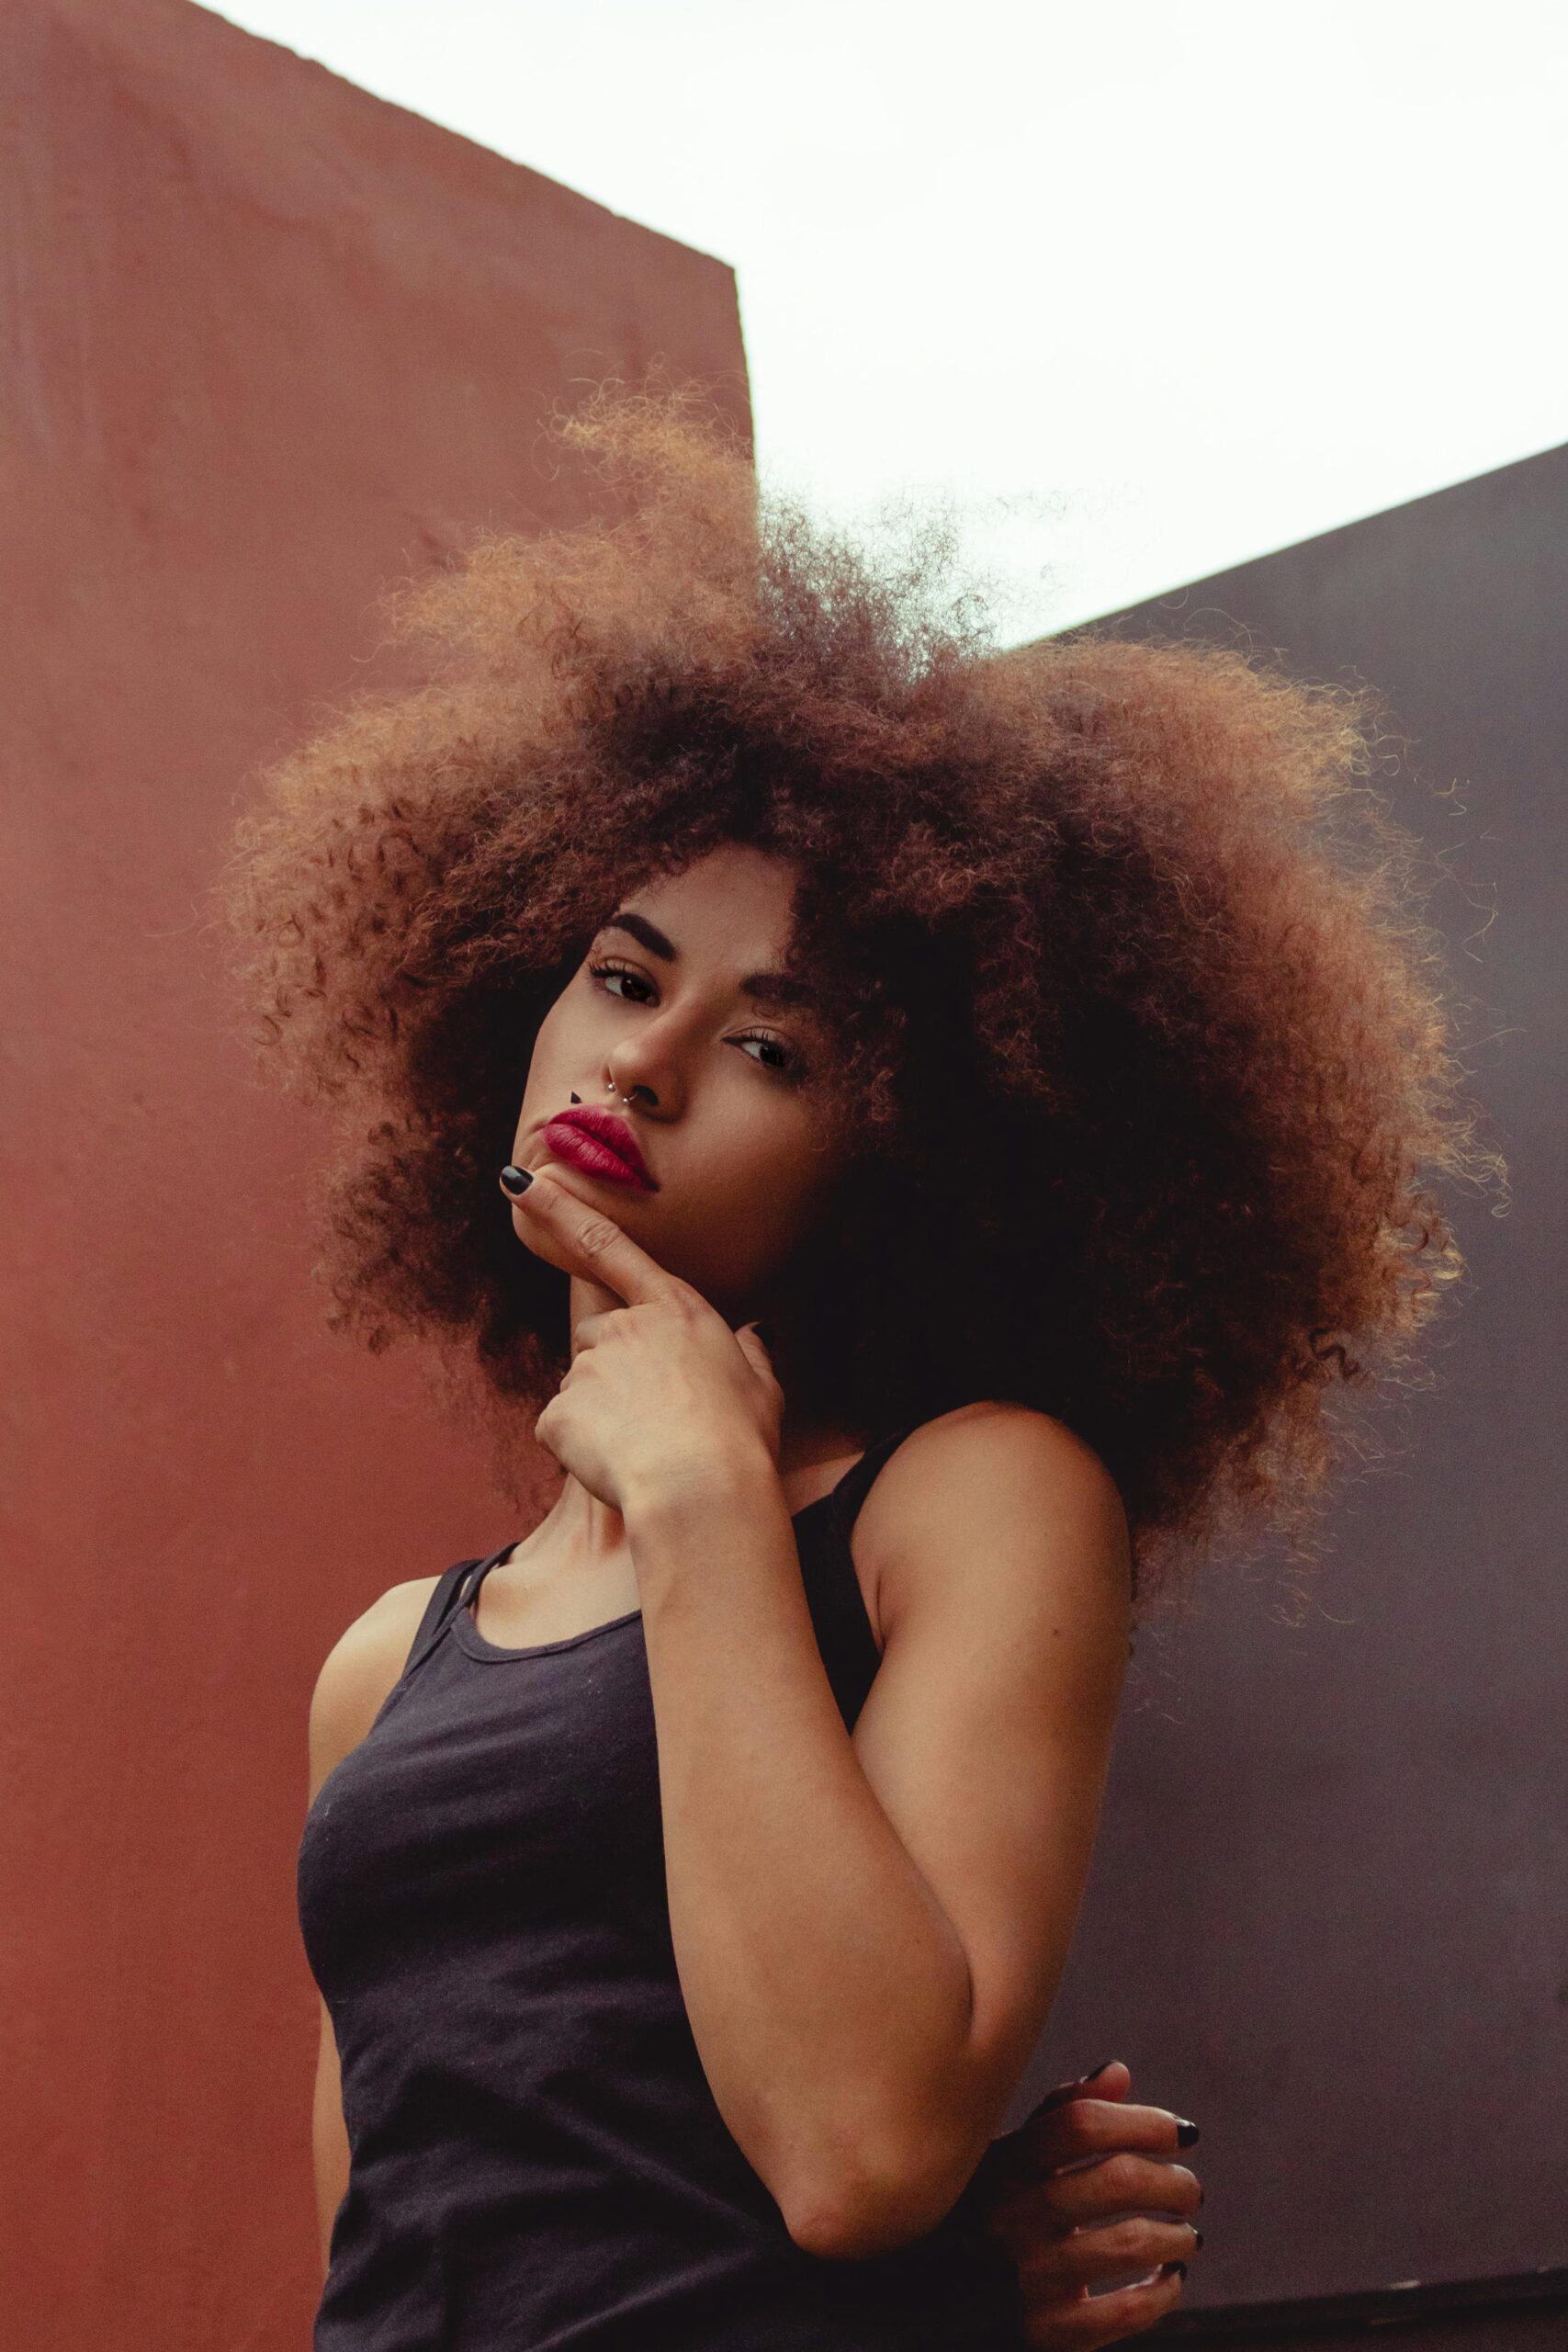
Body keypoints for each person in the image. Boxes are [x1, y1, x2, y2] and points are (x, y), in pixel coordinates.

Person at [228, 388, 1483, 2349]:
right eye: (627, 976)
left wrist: (706, 1482)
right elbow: (396, 2246)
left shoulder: (969, 1498)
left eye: (770, 1046)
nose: (640, 1060)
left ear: (898, 1146)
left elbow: (851, 2143)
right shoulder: (387, 1664)